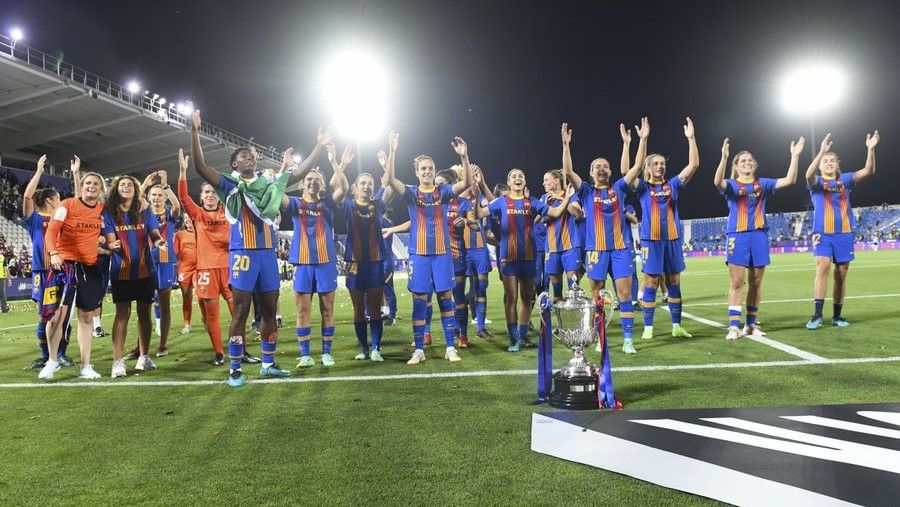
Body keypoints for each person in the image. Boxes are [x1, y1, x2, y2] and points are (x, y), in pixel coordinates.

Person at [191, 110, 330, 387]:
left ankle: (268, 364)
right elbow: (199, 167)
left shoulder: (270, 184)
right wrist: (194, 130)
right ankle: (235, 369)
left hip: (267, 255)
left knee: (269, 312)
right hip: (243, 254)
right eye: (242, 156)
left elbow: (299, 173)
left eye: (251, 156)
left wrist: (320, 145)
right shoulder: (229, 185)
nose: (249, 158)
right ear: (234, 163)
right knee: (240, 311)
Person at [385, 132, 472, 364]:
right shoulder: (412, 194)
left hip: (442, 254)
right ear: (417, 172)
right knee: (420, 301)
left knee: (446, 297)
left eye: (430, 168)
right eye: (422, 168)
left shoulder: (442, 192)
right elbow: (392, 181)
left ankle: (450, 347)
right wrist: (393, 152)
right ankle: (419, 349)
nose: (426, 171)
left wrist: (464, 157)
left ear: (434, 171)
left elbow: (467, 183)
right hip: (419, 254)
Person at [562, 119, 648, 354]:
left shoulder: (619, 188)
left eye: (605, 166)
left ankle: (628, 339)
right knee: (597, 294)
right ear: (591, 173)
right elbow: (568, 171)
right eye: (597, 166)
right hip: (596, 251)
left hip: (620, 250)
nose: (601, 169)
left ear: (610, 171)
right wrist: (566, 144)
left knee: (624, 295)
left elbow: (638, 166)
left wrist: (640, 140)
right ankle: (601, 338)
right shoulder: (587, 191)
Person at [714, 136, 805, 340]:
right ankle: (734, 326)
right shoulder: (731, 185)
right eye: (743, 161)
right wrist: (724, 157)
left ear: (754, 165)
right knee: (737, 281)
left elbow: (790, 180)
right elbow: (717, 181)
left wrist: (795, 156)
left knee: (755, 281)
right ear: (736, 167)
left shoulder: (762, 184)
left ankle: (751, 324)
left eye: (750, 160)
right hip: (737, 235)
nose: (747, 162)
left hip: (759, 235)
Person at [484, 168, 574, 352]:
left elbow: (556, 213)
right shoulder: (500, 202)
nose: (517, 178)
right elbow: (480, 213)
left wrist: (567, 198)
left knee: (526, 298)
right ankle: (513, 339)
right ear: (509, 182)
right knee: (511, 297)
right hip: (508, 256)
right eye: (514, 176)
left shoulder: (531, 202)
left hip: (529, 256)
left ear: (524, 182)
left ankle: (523, 335)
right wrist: (477, 189)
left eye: (521, 176)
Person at [629, 118, 699, 340]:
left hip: (673, 239)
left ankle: (676, 325)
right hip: (652, 240)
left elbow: (694, 165)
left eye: (663, 163)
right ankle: (648, 327)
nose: (661, 166)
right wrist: (643, 140)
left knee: (674, 282)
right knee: (651, 282)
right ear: (648, 168)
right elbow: (629, 170)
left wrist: (691, 139)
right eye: (656, 163)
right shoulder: (642, 187)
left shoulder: (673, 185)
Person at [804, 131, 879, 329]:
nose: (829, 163)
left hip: (845, 232)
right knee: (822, 267)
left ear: (838, 165)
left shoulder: (845, 180)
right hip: (823, 232)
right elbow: (808, 175)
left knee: (841, 272)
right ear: (821, 165)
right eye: (825, 161)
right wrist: (821, 151)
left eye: (832, 161)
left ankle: (837, 316)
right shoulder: (817, 183)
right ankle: (817, 315)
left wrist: (870, 149)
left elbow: (868, 171)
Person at [39, 165, 107, 380]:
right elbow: (51, 232)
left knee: (86, 318)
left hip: (89, 268)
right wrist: (54, 253)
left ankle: (86, 366)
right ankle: (52, 360)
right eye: (88, 183)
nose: (91, 186)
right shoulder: (66, 205)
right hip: (64, 266)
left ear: (101, 189)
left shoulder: (102, 210)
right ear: (82, 187)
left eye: (96, 184)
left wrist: (105, 241)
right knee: (55, 318)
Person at [102, 175, 167, 377]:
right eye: (122, 184)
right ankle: (118, 361)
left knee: (145, 313)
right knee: (122, 314)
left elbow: (154, 232)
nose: (126, 187)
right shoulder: (110, 213)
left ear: (136, 189)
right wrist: (112, 245)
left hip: (145, 270)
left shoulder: (144, 210)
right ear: (116, 190)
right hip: (121, 271)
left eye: (130, 184)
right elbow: (111, 240)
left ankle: (144, 357)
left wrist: (158, 241)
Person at [285, 148, 344, 368]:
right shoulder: (294, 204)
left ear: (322, 184)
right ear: (302, 183)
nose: (312, 182)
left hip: (326, 262)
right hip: (302, 262)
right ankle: (305, 354)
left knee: (327, 309)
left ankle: (326, 353)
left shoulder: (327, 203)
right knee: (302, 310)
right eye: (308, 179)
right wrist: (286, 169)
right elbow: (276, 193)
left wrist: (336, 162)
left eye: (317, 180)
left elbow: (344, 188)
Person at [177, 148, 235, 365]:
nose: (210, 195)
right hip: (206, 270)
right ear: (201, 197)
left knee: (236, 313)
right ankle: (219, 353)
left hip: (229, 268)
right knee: (212, 315)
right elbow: (183, 197)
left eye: (213, 192)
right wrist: (183, 172)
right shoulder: (197, 214)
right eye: (206, 193)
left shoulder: (228, 212)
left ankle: (241, 350)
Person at [333, 144, 390, 361]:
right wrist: (342, 164)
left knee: (374, 306)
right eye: (363, 184)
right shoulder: (347, 204)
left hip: (375, 261)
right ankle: (364, 349)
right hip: (353, 262)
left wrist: (386, 165)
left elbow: (389, 185)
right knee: (358, 307)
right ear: (356, 187)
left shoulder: (378, 203)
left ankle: (376, 348)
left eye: (370, 184)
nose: (366, 187)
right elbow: (340, 188)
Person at [22, 155, 74, 368]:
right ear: (51, 200)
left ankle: (60, 354)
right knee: (45, 315)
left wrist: (76, 174)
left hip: (63, 271)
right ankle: (45, 355)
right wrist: (39, 172)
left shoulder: (63, 219)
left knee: (63, 315)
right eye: (59, 197)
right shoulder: (35, 219)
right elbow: (27, 197)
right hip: (42, 272)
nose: (62, 200)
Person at [144, 171, 181, 356]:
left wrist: (166, 186)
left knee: (164, 305)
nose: (157, 198)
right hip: (145, 263)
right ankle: (141, 347)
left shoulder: (170, 215)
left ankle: (162, 345)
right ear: (148, 197)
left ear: (164, 197)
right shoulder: (141, 214)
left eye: (160, 195)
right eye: (154, 195)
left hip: (165, 263)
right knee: (144, 306)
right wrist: (144, 184)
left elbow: (177, 205)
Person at [173, 214, 201, 334]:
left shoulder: (201, 232)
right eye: (186, 219)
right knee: (186, 297)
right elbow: (175, 252)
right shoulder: (180, 234)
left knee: (201, 294)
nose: (188, 221)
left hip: (199, 268)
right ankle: (187, 324)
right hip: (184, 269)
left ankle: (206, 319)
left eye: (190, 218)